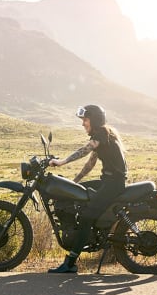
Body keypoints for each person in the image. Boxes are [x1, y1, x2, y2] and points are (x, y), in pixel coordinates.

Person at [47, 105, 127, 273]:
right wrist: (75, 182)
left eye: (85, 120)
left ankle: (70, 263)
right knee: (77, 193)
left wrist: (62, 162)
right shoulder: (104, 137)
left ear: (95, 120)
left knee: (86, 217)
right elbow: (90, 163)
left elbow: (84, 151)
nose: (83, 123)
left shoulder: (101, 135)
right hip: (108, 181)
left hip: (113, 184)